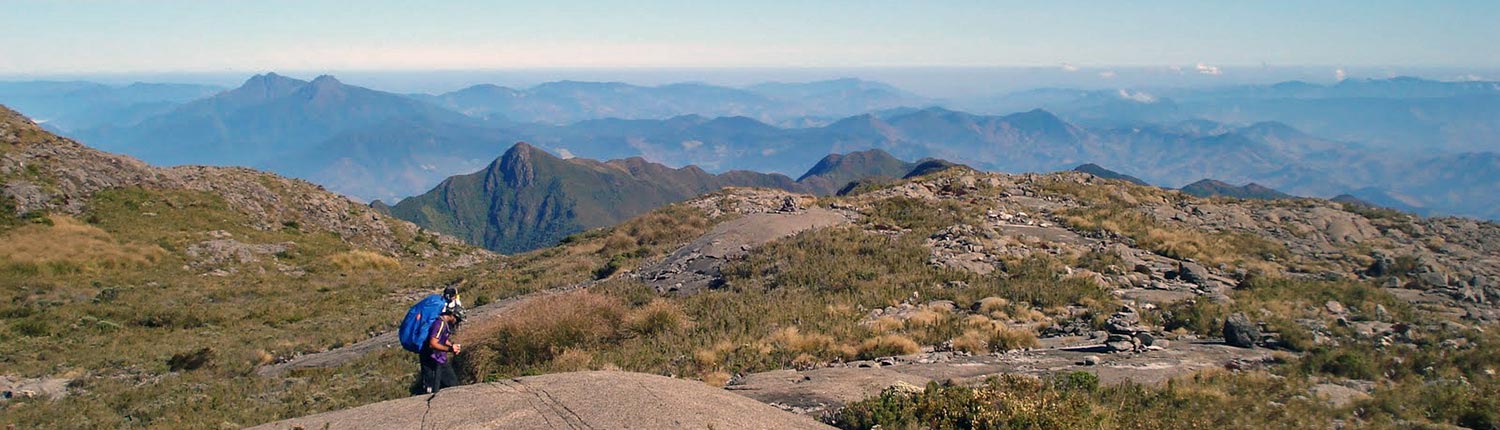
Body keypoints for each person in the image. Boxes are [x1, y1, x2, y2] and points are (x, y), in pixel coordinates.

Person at [419, 307, 462, 394]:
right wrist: (450, 349)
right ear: (452, 315)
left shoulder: (444, 324)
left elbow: (442, 338)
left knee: (453, 384)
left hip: (440, 358)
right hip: (433, 359)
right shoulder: (440, 324)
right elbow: (433, 343)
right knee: (435, 388)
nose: (457, 322)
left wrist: (452, 345)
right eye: (458, 319)